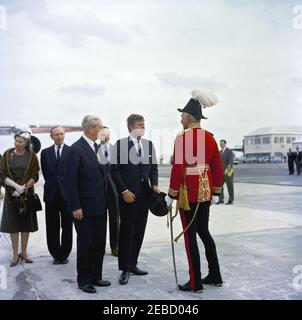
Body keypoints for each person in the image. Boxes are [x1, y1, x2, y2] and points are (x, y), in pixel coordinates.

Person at [165, 89, 223, 293]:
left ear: (189, 117)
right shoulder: (210, 137)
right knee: (204, 232)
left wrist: (171, 195)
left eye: (182, 115)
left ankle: (195, 282)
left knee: (190, 238)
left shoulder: (182, 138)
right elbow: (216, 166)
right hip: (205, 193)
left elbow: (178, 168)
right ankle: (215, 275)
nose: (181, 118)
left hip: (188, 195)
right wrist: (216, 191)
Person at [111, 114, 159, 285]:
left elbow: (153, 167)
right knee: (126, 232)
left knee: (139, 231)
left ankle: (133, 264)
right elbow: (114, 170)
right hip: (128, 196)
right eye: (140, 124)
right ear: (131, 127)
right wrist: (123, 190)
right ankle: (124, 268)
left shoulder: (148, 145)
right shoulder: (120, 145)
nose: (143, 126)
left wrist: (154, 185)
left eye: (144, 123)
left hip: (144, 195)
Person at [65, 115, 111, 294]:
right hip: (83, 207)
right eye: (100, 128)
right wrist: (75, 206)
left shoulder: (98, 147)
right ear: (91, 130)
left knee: (99, 242)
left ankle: (96, 276)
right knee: (86, 243)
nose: (103, 131)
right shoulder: (76, 149)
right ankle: (84, 280)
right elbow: (70, 181)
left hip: (100, 204)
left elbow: (106, 170)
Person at [0, 131, 40, 267]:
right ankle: (15, 254)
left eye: (20, 142)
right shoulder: (7, 154)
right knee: (13, 225)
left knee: (25, 225)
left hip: (27, 195)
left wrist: (23, 188)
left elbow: (35, 175)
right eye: (16, 140)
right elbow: (2, 173)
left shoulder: (32, 156)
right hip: (11, 195)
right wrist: (15, 187)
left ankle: (24, 252)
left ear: (26, 143)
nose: (17, 143)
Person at [41, 127, 72, 265]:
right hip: (51, 194)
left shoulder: (71, 151)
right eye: (56, 134)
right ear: (51, 136)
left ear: (64, 135)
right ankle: (55, 254)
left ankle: (64, 254)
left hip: (67, 195)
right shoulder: (45, 153)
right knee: (52, 225)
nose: (59, 136)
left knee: (67, 225)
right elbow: (47, 173)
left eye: (61, 134)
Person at [98, 126, 120, 257]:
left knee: (114, 219)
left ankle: (115, 246)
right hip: (99, 190)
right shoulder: (93, 150)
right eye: (102, 134)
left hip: (114, 190)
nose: (104, 136)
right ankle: (100, 248)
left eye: (106, 134)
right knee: (100, 221)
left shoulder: (116, 150)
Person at [217, 139, 235, 205]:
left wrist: (227, 171)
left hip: (228, 171)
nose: (221, 145)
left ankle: (231, 200)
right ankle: (221, 199)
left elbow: (231, 162)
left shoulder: (230, 151)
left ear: (225, 144)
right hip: (221, 172)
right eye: (220, 144)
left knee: (230, 186)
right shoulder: (219, 152)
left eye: (222, 144)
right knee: (220, 186)